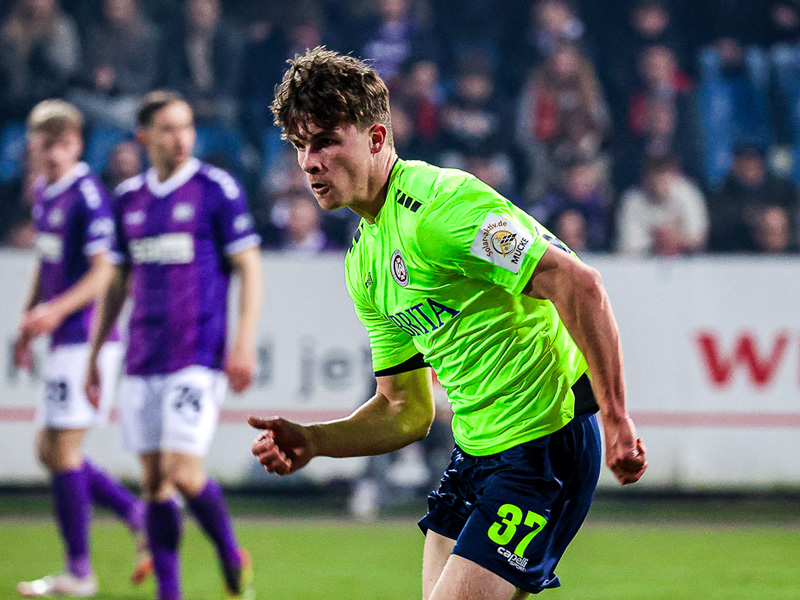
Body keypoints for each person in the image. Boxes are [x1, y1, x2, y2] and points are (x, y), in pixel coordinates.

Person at [250, 47, 647, 600]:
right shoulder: (364, 261)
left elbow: (579, 284)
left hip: (545, 443)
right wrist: (315, 441)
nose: (309, 162)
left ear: (377, 138)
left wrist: (616, 417)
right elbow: (405, 410)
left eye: (325, 142)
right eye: (300, 145)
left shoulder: (440, 209)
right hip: (476, 450)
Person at [85, 91, 262, 600]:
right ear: (143, 137)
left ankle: (229, 553)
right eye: (167, 128)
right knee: (153, 484)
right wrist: (96, 353)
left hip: (197, 353)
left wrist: (243, 342)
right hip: (143, 356)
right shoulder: (128, 199)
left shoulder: (215, 189)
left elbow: (249, 266)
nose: (180, 137)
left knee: (181, 472)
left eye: (186, 126)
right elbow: (117, 283)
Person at [15, 99, 149, 598]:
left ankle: (79, 573)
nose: (53, 153)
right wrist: (30, 318)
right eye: (45, 144)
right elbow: (46, 261)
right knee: (48, 450)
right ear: (33, 146)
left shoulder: (87, 196)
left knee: (62, 451)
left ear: (76, 145)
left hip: (88, 339)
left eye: (63, 144)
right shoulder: (44, 192)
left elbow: (103, 274)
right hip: (61, 339)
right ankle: (136, 514)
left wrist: (54, 311)